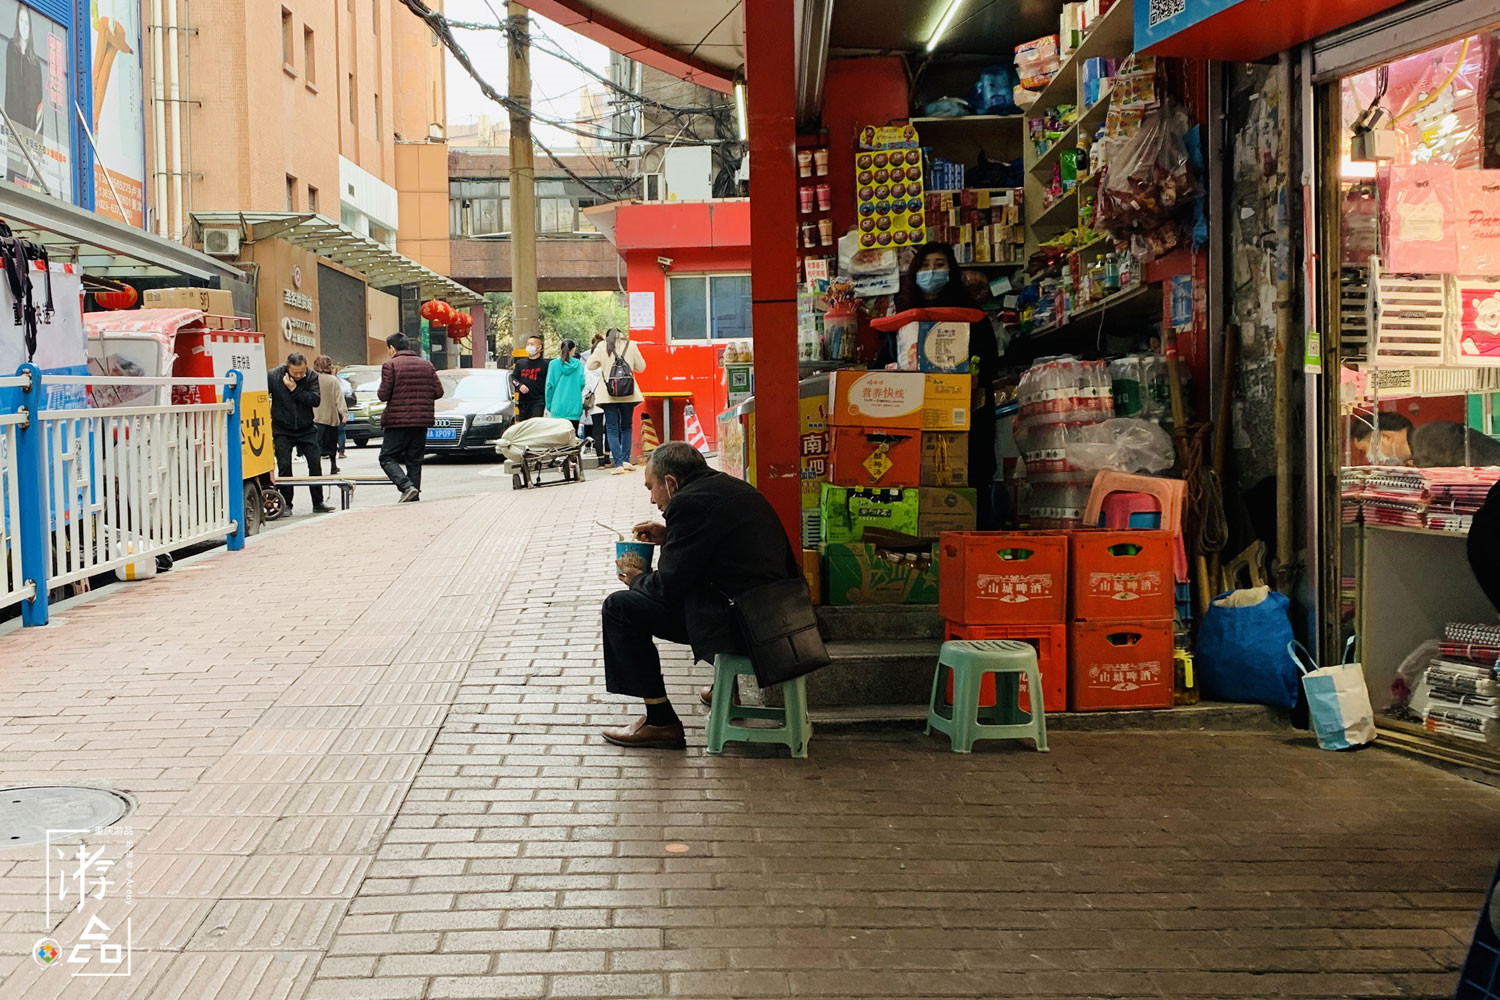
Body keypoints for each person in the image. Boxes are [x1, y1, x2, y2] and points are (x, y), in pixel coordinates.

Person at [601, 442, 804, 750]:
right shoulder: (730, 488)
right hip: (781, 618)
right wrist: (670, 536)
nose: (653, 499)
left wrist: (636, 579)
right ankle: (725, 686)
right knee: (697, 594)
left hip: (747, 627)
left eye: (651, 488)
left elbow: (669, 587)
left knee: (619, 608)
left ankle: (659, 720)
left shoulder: (687, 504)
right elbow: (722, 550)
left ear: (671, 482)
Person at [888, 241, 1001, 527]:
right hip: (915, 411)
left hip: (966, 412)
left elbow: (988, 361)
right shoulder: (903, 312)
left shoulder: (971, 312)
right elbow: (885, 359)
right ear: (914, 272)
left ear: (951, 270)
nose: (931, 271)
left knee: (970, 475)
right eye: (925, 266)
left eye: (939, 265)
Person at [377, 332, 444, 503]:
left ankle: (406, 486)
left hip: (397, 421)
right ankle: (413, 496)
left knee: (387, 457)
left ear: (392, 348)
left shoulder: (390, 365)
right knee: (414, 460)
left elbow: (383, 395)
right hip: (421, 420)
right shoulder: (427, 365)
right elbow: (438, 392)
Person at [268, 352, 333, 514]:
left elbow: (315, 400)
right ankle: (286, 504)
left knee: (315, 464)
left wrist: (294, 389)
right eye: (295, 372)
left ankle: (318, 502)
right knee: (284, 467)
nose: (298, 375)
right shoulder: (274, 376)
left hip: (306, 427)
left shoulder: (311, 376)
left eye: (301, 372)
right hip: (282, 428)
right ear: (287, 367)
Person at [587, 327, 646, 476]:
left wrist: (604, 364)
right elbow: (641, 367)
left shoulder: (602, 346)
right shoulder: (631, 345)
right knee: (626, 426)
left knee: (612, 429)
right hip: (628, 393)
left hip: (609, 394)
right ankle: (626, 460)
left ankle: (618, 464)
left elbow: (590, 365)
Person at [1350, 411, 1500, 467]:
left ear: (1386, 437)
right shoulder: (1421, 445)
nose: (1369, 458)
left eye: (1366, 450)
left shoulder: (1431, 439)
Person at [311, 355, 348, 475]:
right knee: (332, 443)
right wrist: (344, 413)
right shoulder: (333, 380)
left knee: (316, 445)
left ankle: (317, 468)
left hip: (315, 417)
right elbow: (339, 398)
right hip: (330, 417)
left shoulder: (312, 379)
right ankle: (333, 465)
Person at [545, 338, 586, 430]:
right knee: (572, 438)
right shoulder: (578, 364)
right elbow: (582, 383)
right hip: (574, 407)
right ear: (573, 350)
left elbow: (549, 386)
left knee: (559, 439)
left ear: (561, 349)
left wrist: (549, 405)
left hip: (557, 407)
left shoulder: (553, 364)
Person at [513, 334, 548, 421]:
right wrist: (520, 386)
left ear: (539, 347)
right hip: (523, 403)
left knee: (535, 425)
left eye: (532, 344)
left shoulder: (545, 365)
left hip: (538, 402)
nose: (529, 346)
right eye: (528, 344)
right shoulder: (520, 363)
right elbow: (513, 378)